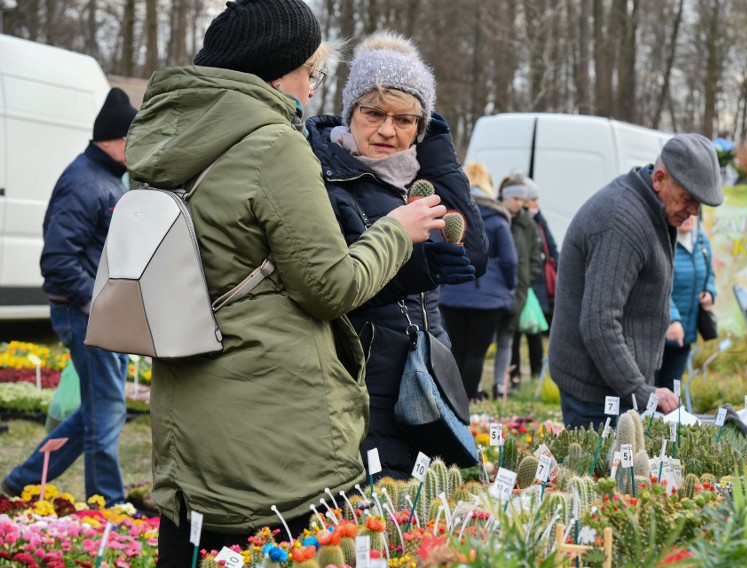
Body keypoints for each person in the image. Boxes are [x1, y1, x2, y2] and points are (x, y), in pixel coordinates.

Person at [123, 1, 448, 561]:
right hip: (276, 428)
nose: (312, 89)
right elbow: (329, 286)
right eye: (311, 73)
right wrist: (398, 230)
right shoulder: (274, 145)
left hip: (189, 407)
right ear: (277, 70)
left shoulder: (165, 138)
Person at [307, 31, 486, 479]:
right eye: (374, 113)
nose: (388, 131)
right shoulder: (323, 177)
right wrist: (416, 269)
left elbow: (474, 255)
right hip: (360, 383)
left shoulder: (416, 176)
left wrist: (442, 160)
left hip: (425, 378)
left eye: (406, 120)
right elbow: (329, 286)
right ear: (351, 112)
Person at [1, 88, 137, 507]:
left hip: (98, 315)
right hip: (84, 315)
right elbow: (58, 260)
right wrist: (96, 307)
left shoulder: (106, 179)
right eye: (135, 139)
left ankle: (21, 480)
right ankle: (108, 505)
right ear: (114, 139)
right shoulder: (85, 182)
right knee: (107, 410)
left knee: (97, 411)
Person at [549, 133, 724, 429]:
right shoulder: (622, 223)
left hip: (614, 384)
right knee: (602, 474)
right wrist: (640, 391)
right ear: (659, 179)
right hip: (595, 393)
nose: (694, 211)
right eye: (688, 199)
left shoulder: (651, 210)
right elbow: (599, 322)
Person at [440, 162, 517, 400]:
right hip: (488, 297)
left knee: (458, 351)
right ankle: (467, 401)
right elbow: (510, 260)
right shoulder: (497, 219)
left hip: (452, 292)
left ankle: (452, 400)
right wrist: (509, 286)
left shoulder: (451, 213)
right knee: (476, 353)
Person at [654, 214, 716, 391]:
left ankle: (667, 420)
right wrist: (672, 319)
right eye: (686, 210)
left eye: (694, 212)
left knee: (673, 389)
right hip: (662, 333)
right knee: (654, 390)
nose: (690, 216)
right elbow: (657, 285)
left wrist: (709, 292)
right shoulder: (663, 241)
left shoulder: (702, 242)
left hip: (686, 333)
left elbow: (710, 274)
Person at [493, 174, 541, 397]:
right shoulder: (495, 217)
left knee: (508, 337)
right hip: (493, 290)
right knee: (485, 338)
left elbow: (534, 257)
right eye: (517, 199)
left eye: (523, 199)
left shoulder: (527, 223)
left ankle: (501, 385)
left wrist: (526, 278)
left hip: (517, 291)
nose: (521, 204)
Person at [511, 179, 558, 384]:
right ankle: (514, 374)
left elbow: (551, 249)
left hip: (535, 284)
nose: (537, 203)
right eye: (534, 199)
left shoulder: (538, 220)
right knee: (513, 331)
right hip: (522, 283)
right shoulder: (517, 220)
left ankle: (537, 373)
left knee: (534, 331)